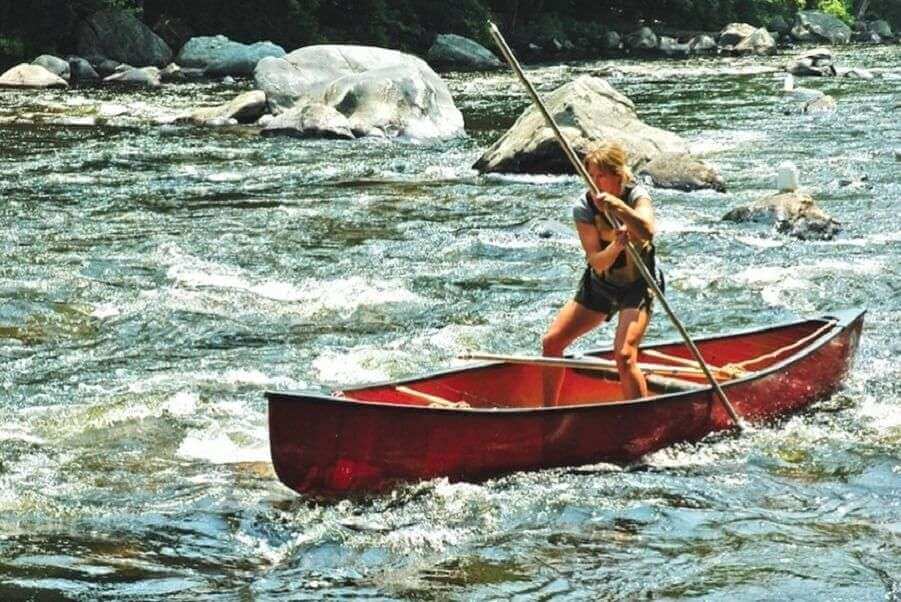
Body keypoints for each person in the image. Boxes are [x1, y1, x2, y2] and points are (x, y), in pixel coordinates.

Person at [541, 141, 662, 405]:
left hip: (638, 285)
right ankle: (548, 412)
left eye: (601, 176)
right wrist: (617, 247)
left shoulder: (636, 195)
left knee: (625, 355)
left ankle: (639, 419)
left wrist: (619, 209)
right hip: (602, 283)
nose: (594, 183)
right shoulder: (583, 208)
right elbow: (596, 261)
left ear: (618, 175)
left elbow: (647, 230)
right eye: (591, 176)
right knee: (551, 342)